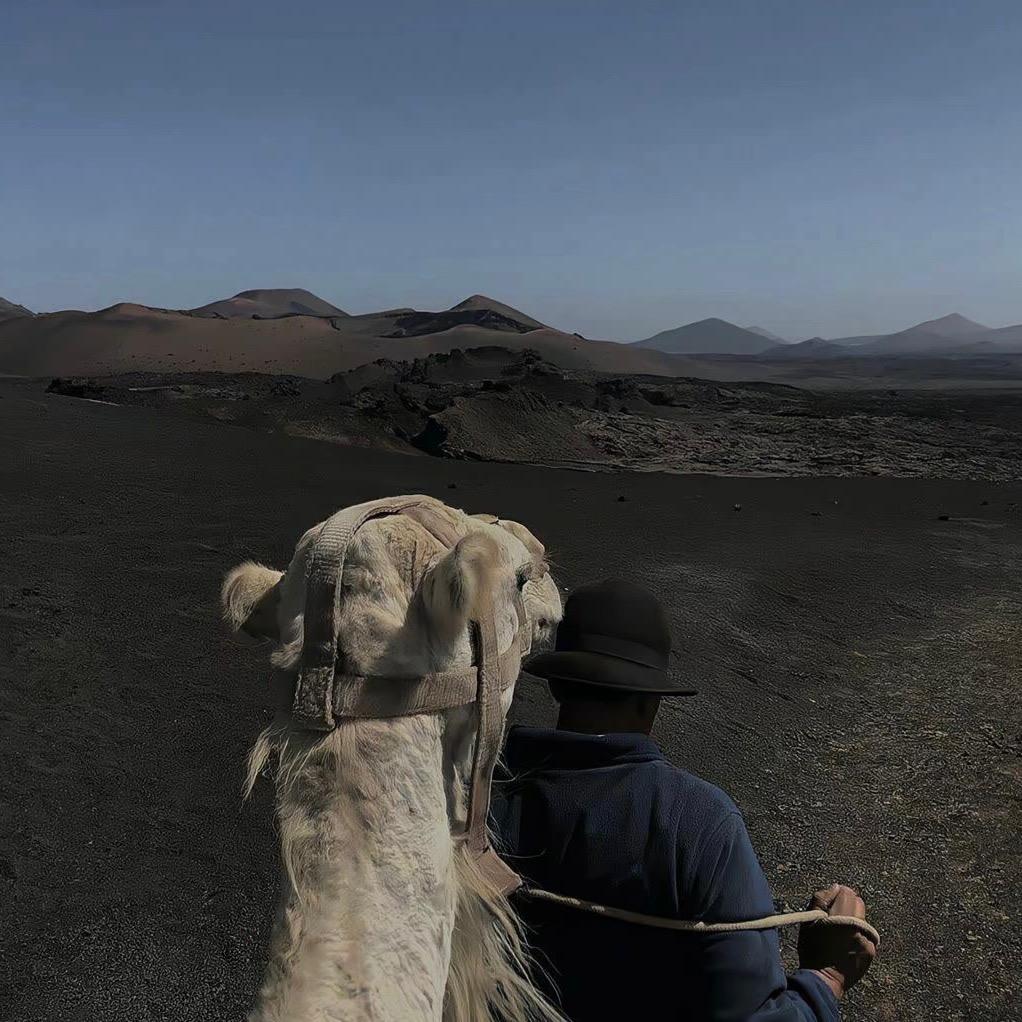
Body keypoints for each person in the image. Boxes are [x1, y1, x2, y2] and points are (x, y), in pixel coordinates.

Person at [491, 579, 876, 1021]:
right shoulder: (698, 823)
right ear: (653, 696)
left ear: (558, 685)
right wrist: (826, 979)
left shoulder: (474, 792)